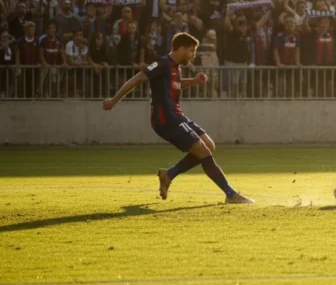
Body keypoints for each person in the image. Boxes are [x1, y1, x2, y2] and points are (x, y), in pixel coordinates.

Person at [101, 33, 254, 204]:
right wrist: (114, 100)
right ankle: (231, 194)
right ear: (180, 48)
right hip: (165, 119)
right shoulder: (162, 63)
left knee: (209, 145)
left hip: (177, 115)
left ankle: (169, 174)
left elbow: (176, 84)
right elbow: (137, 79)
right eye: (191, 51)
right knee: (202, 151)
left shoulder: (175, 68)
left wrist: (194, 81)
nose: (192, 55)